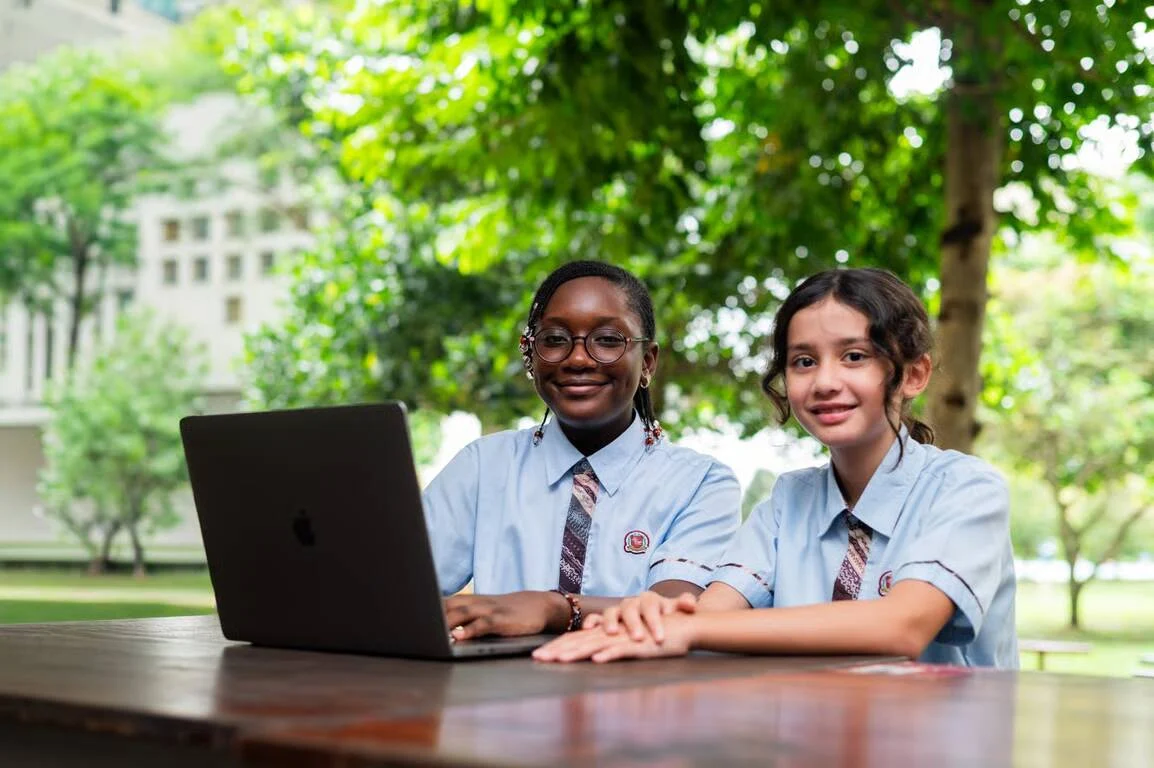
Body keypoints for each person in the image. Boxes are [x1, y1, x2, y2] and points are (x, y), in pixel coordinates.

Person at [534, 267, 1018, 667]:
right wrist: (656, 616)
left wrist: (691, 626)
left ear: (914, 374)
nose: (825, 382)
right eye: (803, 361)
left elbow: (902, 626)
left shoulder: (967, 490)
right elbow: (712, 611)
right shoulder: (788, 502)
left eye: (854, 356)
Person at [422, 260, 741, 641]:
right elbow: (401, 588)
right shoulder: (482, 466)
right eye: (555, 339)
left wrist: (553, 608)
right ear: (532, 354)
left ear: (648, 363)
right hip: (499, 691)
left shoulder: (700, 483)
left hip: (635, 694)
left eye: (608, 339)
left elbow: (672, 610)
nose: (577, 359)